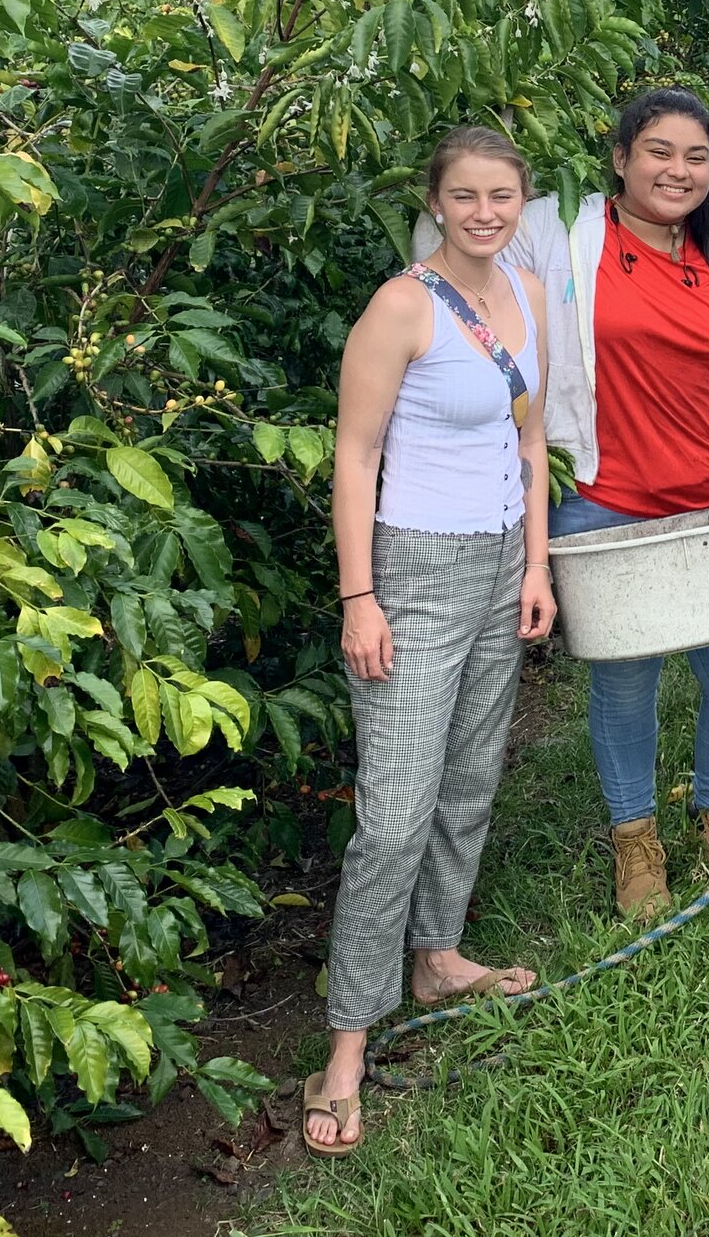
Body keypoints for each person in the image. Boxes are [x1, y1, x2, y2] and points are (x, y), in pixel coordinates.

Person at [305, 125, 556, 1157]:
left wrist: (536, 567)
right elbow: (355, 457)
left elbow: (531, 438)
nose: (485, 214)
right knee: (394, 816)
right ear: (436, 203)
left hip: (500, 560)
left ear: (520, 204)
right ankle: (346, 1047)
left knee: (466, 782)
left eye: (502, 197)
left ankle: (438, 955)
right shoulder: (401, 307)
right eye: (466, 197)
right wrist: (360, 598)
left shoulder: (529, 298)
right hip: (411, 568)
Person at [494, 88, 709, 919]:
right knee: (625, 680)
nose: (678, 169)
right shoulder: (569, 240)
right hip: (603, 499)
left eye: (696, 156)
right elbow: (458, 226)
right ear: (620, 158)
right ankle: (635, 840)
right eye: (658, 151)